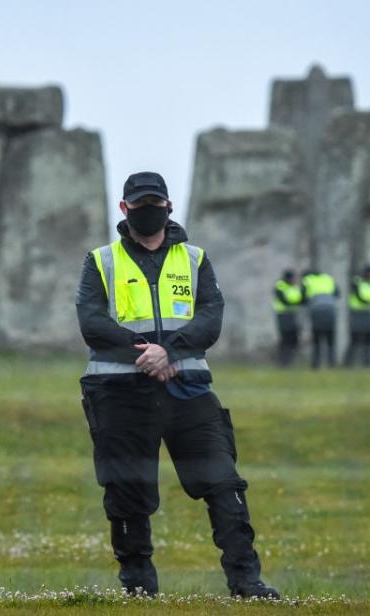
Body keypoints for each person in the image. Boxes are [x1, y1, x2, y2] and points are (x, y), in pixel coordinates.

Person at [75, 171, 279, 599]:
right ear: (124, 209)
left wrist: (170, 351)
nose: (147, 211)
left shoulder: (196, 259)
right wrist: (144, 354)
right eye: (139, 205)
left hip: (187, 389)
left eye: (155, 203)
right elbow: (92, 322)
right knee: (127, 490)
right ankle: (138, 588)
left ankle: (246, 581)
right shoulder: (100, 261)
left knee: (224, 481)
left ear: (168, 206)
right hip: (120, 392)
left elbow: (211, 315)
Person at [344, 264, 370, 367]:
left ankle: (367, 363)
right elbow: (360, 298)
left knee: (369, 339)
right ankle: (348, 363)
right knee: (355, 339)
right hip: (357, 314)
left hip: (369, 315)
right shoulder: (357, 283)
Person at [301, 269, 339, 369]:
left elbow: (302, 298)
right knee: (330, 340)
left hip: (316, 311)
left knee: (317, 340)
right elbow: (337, 293)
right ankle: (332, 364)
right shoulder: (328, 278)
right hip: (330, 310)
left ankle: (315, 365)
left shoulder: (307, 280)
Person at [273, 269, 303, 366]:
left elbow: (302, 299)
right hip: (283, 315)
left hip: (293, 315)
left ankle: (289, 360)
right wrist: (295, 302)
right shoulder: (280, 286)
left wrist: (296, 302)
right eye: (292, 278)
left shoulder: (294, 287)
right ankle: (283, 361)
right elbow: (285, 300)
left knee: (294, 338)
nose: (294, 280)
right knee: (285, 338)